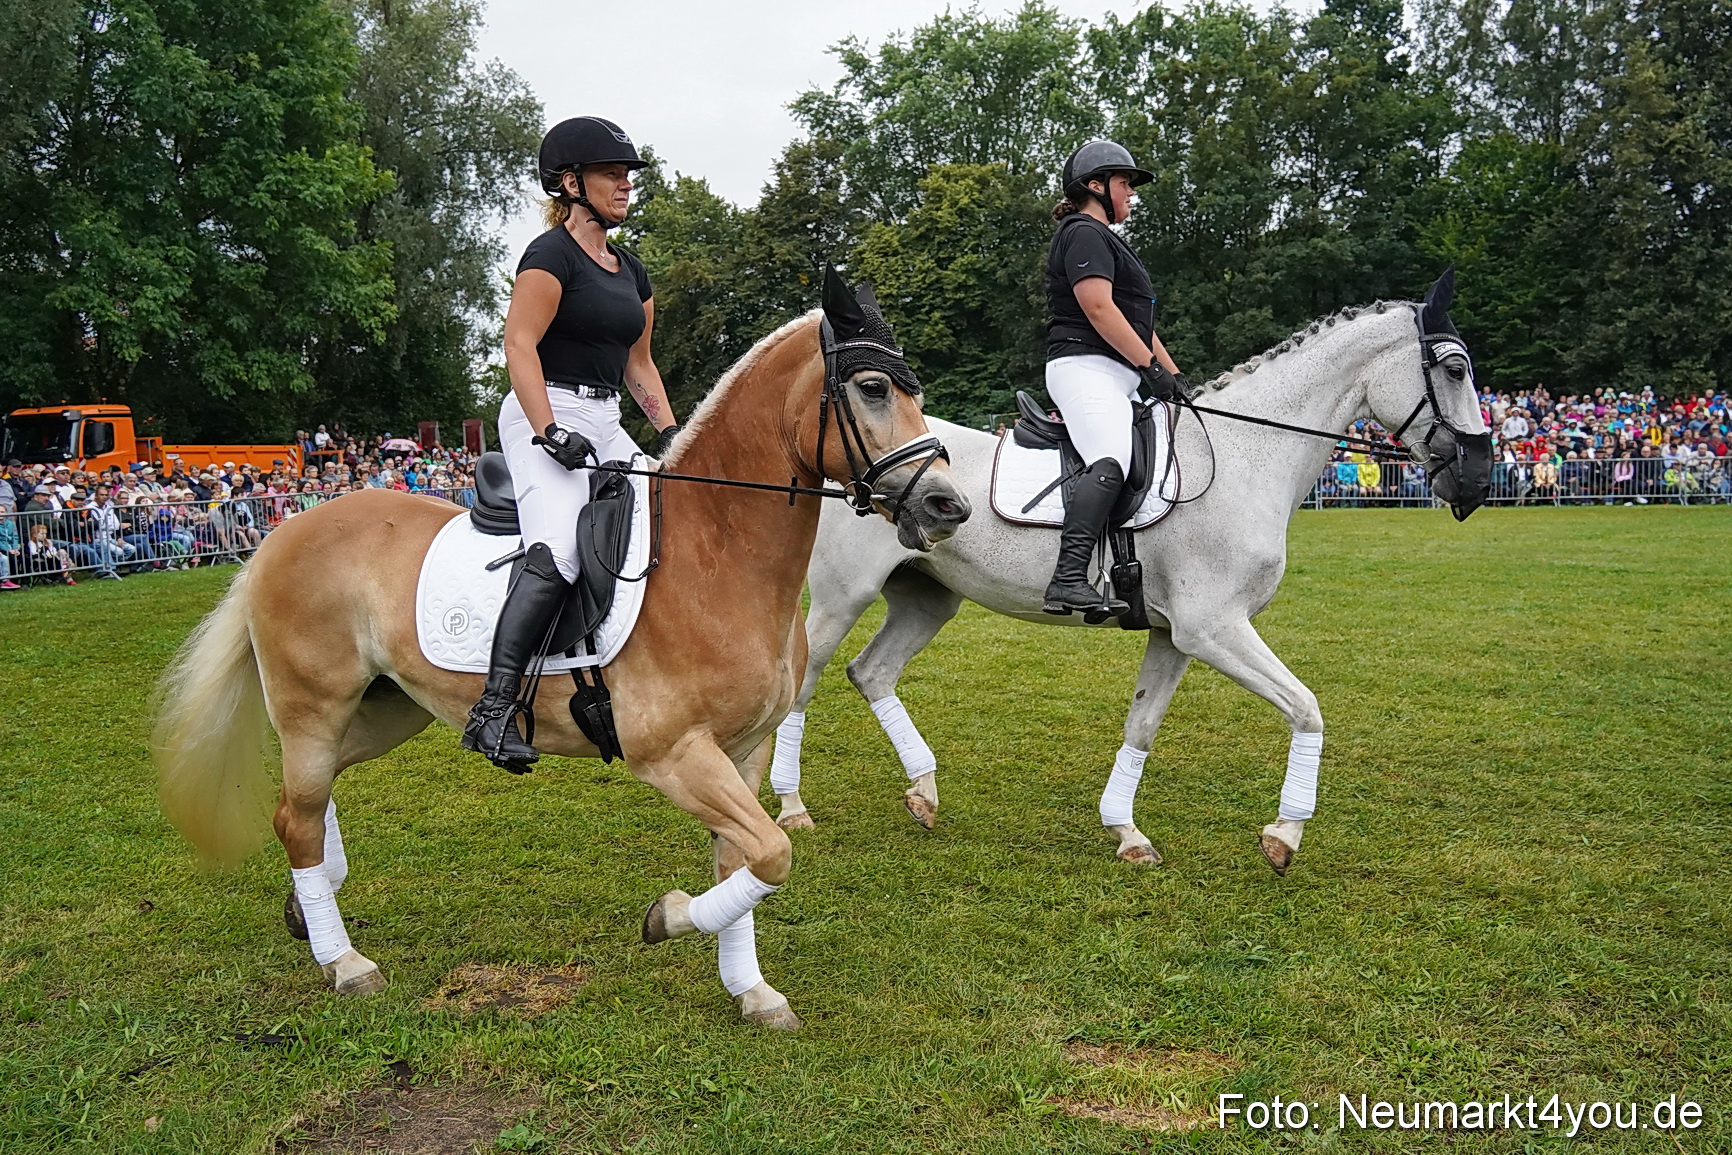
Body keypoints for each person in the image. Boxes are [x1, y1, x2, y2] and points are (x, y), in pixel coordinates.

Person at [463, 116, 681, 768]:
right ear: (570, 181)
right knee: (558, 547)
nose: (625, 184)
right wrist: (545, 429)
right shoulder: (549, 255)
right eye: (613, 173)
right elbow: (518, 344)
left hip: (607, 417)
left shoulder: (632, 272)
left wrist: (672, 434)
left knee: (669, 518)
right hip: (543, 407)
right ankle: (493, 710)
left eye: (628, 175)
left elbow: (639, 367)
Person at [1040, 139, 1186, 616]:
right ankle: (1067, 577)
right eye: (1125, 183)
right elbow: (1099, 309)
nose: (1131, 193)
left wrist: (1171, 373)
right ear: (1095, 186)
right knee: (1112, 456)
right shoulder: (1082, 232)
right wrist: (1149, 367)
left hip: (1117, 374)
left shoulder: (1109, 241)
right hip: (1083, 367)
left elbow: (1138, 323)